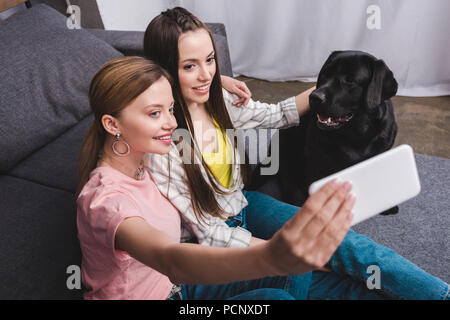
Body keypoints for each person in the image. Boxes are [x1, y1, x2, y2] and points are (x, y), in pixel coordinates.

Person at [142, 7, 450, 300]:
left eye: (210, 60)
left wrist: (326, 88)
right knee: (324, 278)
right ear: (166, 69)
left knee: (350, 247)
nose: (206, 74)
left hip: (245, 204)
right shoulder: (165, 144)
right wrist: (279, 253)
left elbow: (276, 115)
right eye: (189, 66)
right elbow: (210, 235)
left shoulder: (218, 98)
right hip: (213, 242)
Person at [76, 56, 379, 300]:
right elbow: (169, 258)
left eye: (170, 109)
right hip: (172, 286)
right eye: (155, 114)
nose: (171, 122)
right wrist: (270, 256)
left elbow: (159, 69)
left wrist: (211, 80)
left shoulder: (147, 156)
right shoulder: (107, 202)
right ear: (111, 124)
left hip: (183, 287)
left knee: (310, 275)